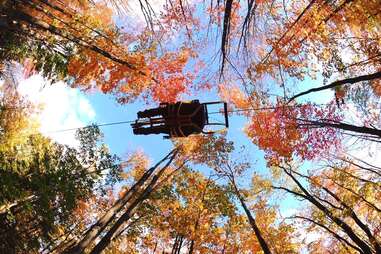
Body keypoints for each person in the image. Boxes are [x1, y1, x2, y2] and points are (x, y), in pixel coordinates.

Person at [132, 100, 206, 138]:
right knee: (159, 129)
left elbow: (189, 103)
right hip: (178, 127)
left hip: (175, 112)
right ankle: (139, 131)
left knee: (160, 111)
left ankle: (141, 115)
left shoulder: (199, 107)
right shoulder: (199, 127)